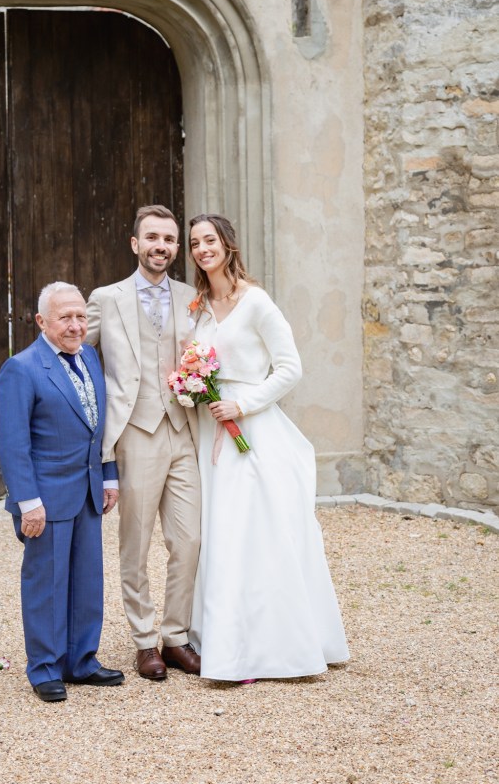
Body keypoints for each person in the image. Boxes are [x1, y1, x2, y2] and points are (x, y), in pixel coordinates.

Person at [186, 214, 350, 681]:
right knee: (219, 530)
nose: (202, 249)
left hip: (251, 430)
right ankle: (223, 641)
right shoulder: (198, 307)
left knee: (254, 530)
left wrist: (243, 404)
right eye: (195, 243)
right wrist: (192, 388)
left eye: (209, 240)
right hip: (210, 430)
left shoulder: (255, 301)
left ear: (227, 244)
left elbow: (290, 368)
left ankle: (272, 647)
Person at [86, 205, 201, 680]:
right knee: (135, 543)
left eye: (169, 240)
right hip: (134, 433)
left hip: (183, 430)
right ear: (136, 244)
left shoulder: (192, 297)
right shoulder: (105, 298)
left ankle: (175, 637)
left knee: (190, 540)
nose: (161, 246)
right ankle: (143, 641)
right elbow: (77, 351)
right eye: (152, 237)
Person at [0, 282, 124, 702]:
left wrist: (108, 476)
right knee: (47, 584)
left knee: (87, 580)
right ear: (41, 321)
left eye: (81, 316)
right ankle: (45, 668)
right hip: (45, 498)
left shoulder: (89, 356)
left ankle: (81, 661)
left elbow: (99, 426)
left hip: (88, 491)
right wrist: (28, 502)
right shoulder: (21, 368)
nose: (75, 325)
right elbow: (12, 443)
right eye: (65, 317)